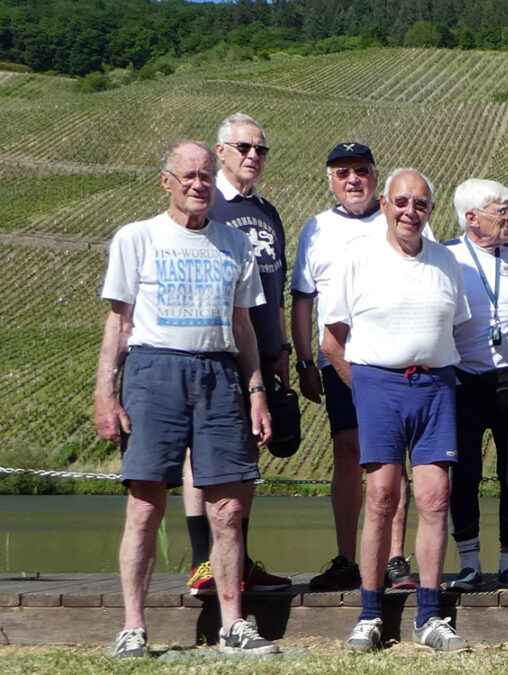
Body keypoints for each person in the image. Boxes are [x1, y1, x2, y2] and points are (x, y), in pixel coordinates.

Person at [95, 141, 279, 657]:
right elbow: (119, 322)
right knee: (145, 504)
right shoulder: (137, 237)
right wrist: (105, 391)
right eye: (188, 176)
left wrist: (257, 391)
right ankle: (133, 628)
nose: (198, 184)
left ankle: (233, 624)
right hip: (154, 370)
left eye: (205, 176)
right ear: (167, 181)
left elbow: (243, 326)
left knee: (227, 508)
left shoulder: (234, 244)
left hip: (219, 373)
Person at [322, 169, 471, 653]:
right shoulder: (357, 257)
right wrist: (364, 389)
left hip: (435, 386)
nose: (411, 211)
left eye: (420, 204)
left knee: (435, 499)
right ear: (385, 204)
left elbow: (456, 328)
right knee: (382, 497)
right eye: (402, 202)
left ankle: (429, 615)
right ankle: (370, 614)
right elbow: (331, 341)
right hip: (378, 385)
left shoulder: (446, 261)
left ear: (431, 211)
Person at [291, 143, 416, 591]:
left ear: (375, 177)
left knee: (392, 456)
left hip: (393, 358)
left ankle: (395, 559)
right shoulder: (317, 228)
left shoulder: (396, 220)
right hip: (340, 356)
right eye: (342, 173)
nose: (352, 180)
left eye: (360, 171)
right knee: (347, 450)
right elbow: (303, 299)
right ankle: (347, 558)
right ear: (330, 180)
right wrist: (305, 361)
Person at [183, 113, 291, 598]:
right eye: (244, 147)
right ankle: (202, 562)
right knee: (202, 454)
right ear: (221, 150)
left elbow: (277, 288)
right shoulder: (209, 204)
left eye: (260, 149)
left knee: (248, 454)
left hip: (260, 348)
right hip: (214, 347)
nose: (253, 156)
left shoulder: (268, 212)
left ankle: (238, 562)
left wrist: (281, 348)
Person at [444, 179, 508, 592]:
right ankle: (468, 564)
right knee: (464, 476)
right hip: (463, 382)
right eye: (501, 210)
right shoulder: (448, 257)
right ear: (471, 217)